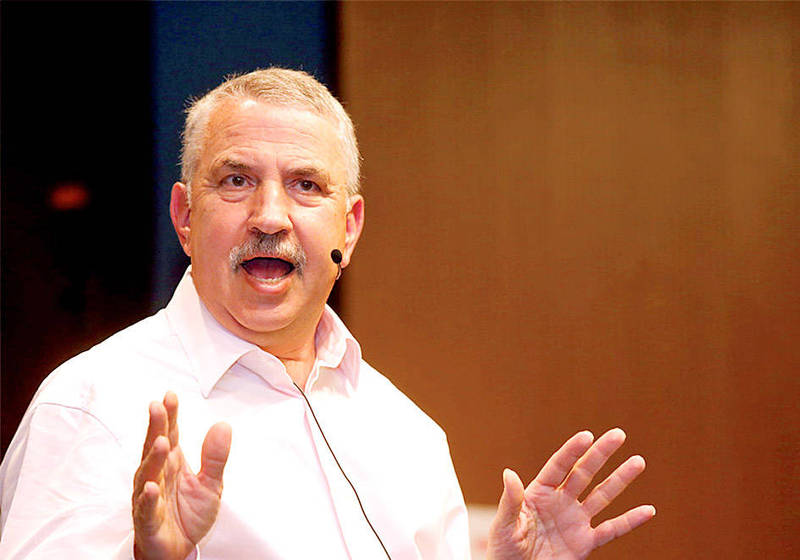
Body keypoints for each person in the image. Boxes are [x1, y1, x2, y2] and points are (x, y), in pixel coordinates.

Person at [0, 68, 654, 559]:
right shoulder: (91, 404)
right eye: (236, 180)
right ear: (185, 218)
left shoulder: (408, 434)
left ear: (351, 226)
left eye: (306, 186)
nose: (270, 216)